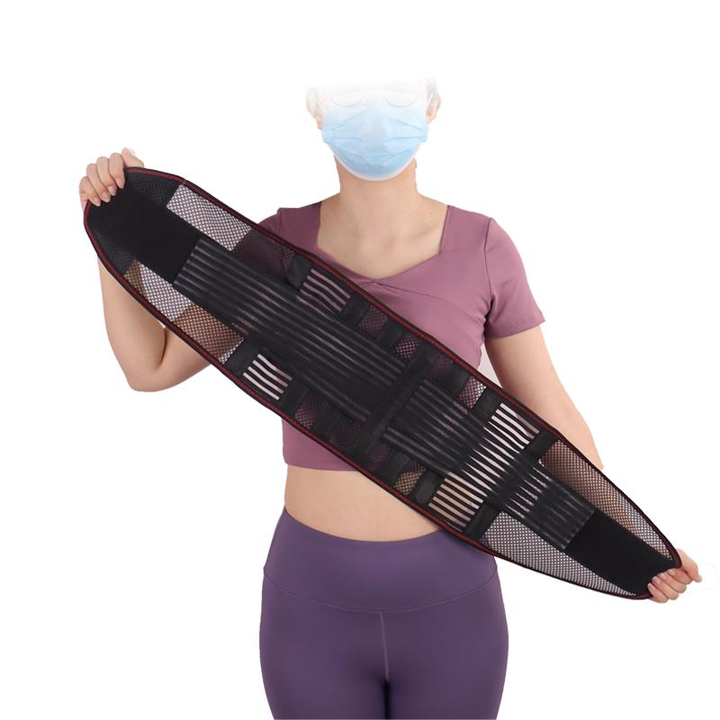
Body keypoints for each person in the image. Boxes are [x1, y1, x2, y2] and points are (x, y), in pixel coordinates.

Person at [79, 75, 702, 720]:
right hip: (310, 603)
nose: (374, 104)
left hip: (451, 600)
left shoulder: (484, 247)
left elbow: (551, 418)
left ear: (432, 102)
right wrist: (114, 233)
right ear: (315, 103)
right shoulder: (272, 247)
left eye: (396, 84)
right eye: (351, 85)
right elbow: (150, 367)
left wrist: (635, 544)